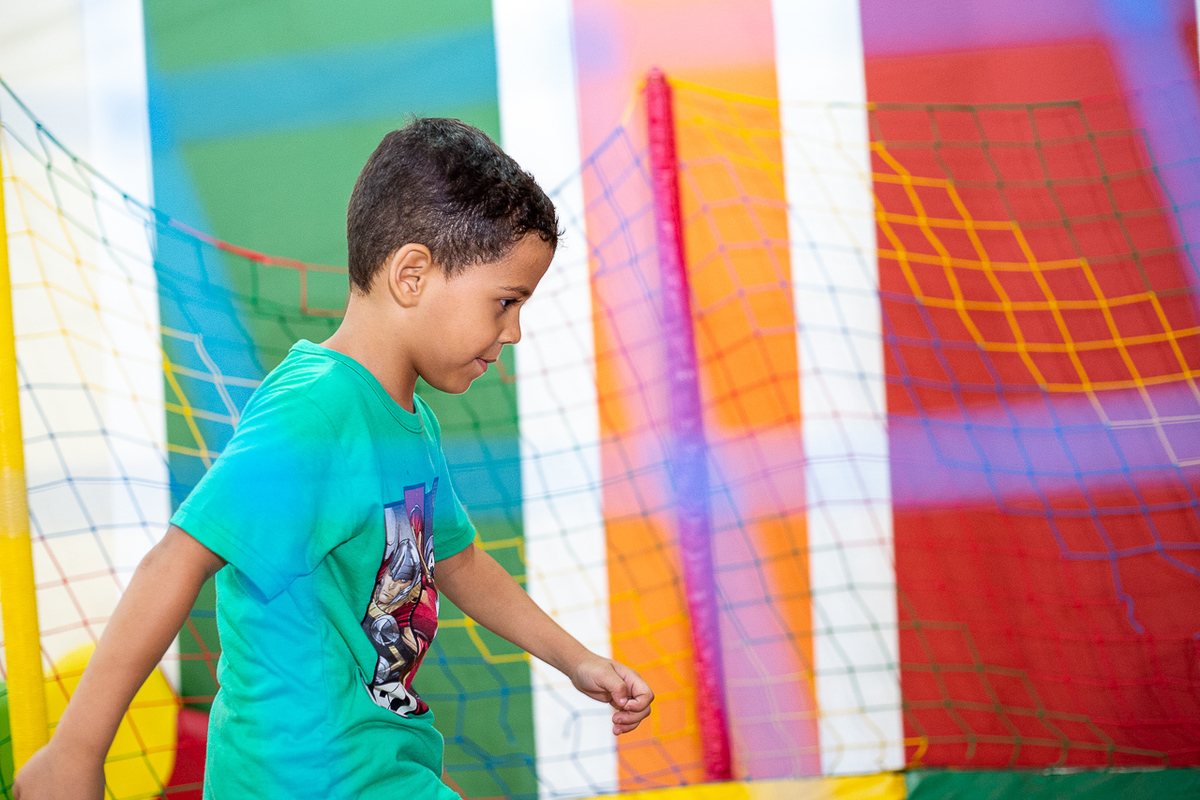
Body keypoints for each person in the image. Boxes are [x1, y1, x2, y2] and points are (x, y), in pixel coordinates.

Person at [14, 118, 653, 799]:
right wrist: (75, 756)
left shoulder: (409, 423)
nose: (514, 332)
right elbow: (178, 558)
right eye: (504, 302)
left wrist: (575, 660)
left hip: (382, 763)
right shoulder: (314, 412)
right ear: (412, 275)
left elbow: (458, 561)